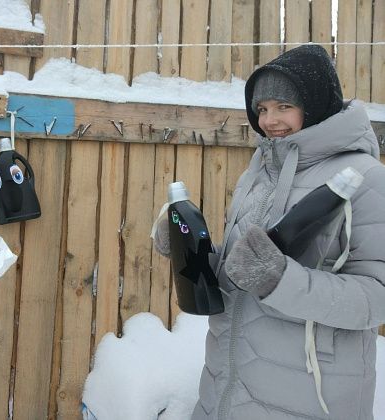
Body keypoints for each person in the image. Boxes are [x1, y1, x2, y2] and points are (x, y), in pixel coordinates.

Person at [154, 44, 385, 419]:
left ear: (315, 105)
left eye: (283, 106)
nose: (269, 120)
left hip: (308, 396)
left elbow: (377, 297)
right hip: (225, 386)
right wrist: (191, 250)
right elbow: (242, 272)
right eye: (262, 109)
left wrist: (280, 280)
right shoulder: (259, 172)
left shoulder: (368, 179)